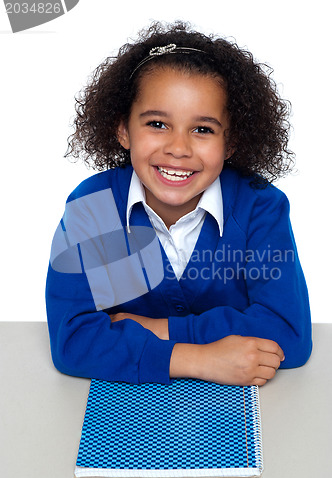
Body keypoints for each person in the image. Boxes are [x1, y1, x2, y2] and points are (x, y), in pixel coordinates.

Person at [46, 21, 312, 387]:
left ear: (230, 142)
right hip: (122, 409)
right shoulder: (95, 206)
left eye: (203, 129)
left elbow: (288, 333)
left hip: (243, 410)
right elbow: (73, 339)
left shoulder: (259, 207)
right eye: (157, 124)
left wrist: (159, 328)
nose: (178, 148)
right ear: (123, 130)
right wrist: (198, 359)